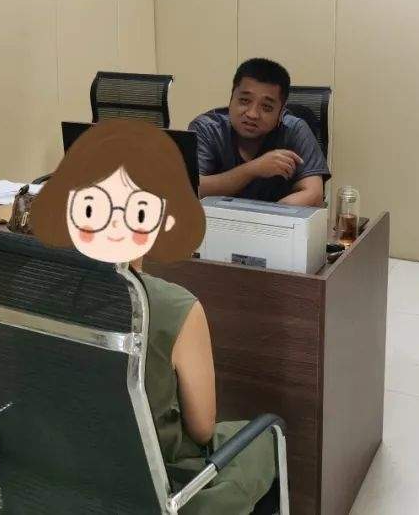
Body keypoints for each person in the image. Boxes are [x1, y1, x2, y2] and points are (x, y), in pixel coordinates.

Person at [31, 119, 278, 514]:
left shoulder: (35, 291)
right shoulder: (175, 307)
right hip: (156, 485)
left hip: (61, 472)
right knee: (267, 435)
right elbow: (201, 430)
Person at [190, 57, 330, 206]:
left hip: (276, 219)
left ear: (281, 112)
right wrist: (253, 169)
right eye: (244, 100)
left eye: (266, 107)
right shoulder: (207, 128)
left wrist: (265, 216)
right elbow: (192, 188)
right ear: (231, 98)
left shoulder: (294, 130)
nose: (252, 114)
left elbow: (313, 194)